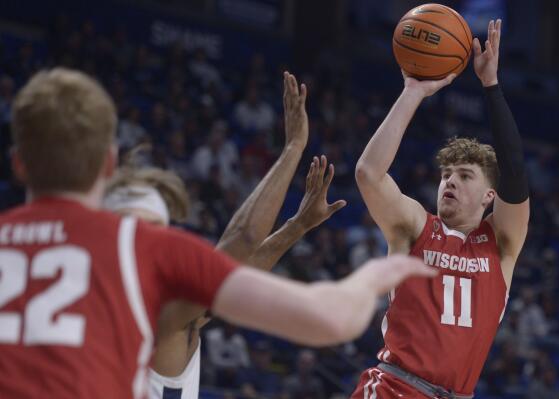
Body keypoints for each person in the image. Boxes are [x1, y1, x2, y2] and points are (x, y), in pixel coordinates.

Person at [0, 68, 435, 399]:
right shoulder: (137, 258)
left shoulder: (106, 278)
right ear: (107, 165)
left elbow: (226, 278)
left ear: (18, 163)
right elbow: (245, 258)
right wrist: (375, 275)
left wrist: (295, 227)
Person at [104, 73, 350, 397]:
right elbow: (243, 239)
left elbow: (236, 279)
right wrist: (292, 148)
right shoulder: (163, 315)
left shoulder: (142, 309)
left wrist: (297, 226)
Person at [352, 20, 529, 398]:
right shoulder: (416, 225)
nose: (449, 181)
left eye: (465, 176)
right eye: (446, 174)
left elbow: (515, 171)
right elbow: (368, 174)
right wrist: (413, 91)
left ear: (490, 196)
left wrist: (491, 87)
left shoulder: (501, 244)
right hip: (395, 388)